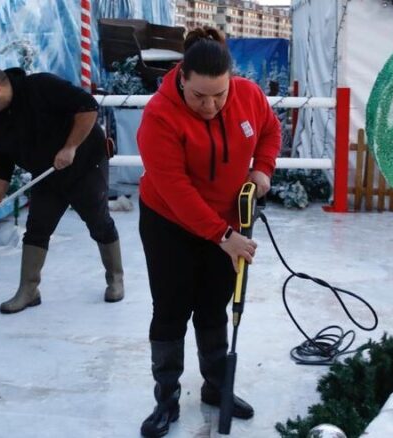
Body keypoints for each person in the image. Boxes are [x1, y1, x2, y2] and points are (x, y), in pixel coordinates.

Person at [135, 27, 281, 437]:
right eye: (200, 96)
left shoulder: (248, 95)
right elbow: (176, 191)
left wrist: (262, 168)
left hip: (227, 221)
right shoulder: (159, 117)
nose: (211, 105)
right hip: (169, 224)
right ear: (182, 77)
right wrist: (223, 236)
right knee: (171, 310)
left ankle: (218, 387)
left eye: (219, 95)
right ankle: (166, 398)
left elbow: (270, 129)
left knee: (213, 307)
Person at [0, 65, 124, 314]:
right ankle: (28, 290)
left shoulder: (42, 86)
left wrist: (70, 147)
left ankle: (115, 278)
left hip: (85, 165)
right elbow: (2, 166)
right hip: (47, 175)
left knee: (98, 221)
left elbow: (88, 107)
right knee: (37, 229)